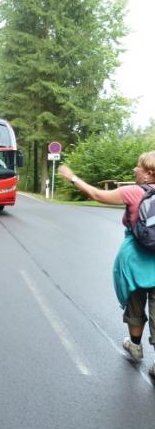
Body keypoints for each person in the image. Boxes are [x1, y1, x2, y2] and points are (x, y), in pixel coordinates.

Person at [59, 153, 155, 376]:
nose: (134, 170)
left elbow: (96, 194)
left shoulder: (133, 191)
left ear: (149, 173)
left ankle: (135, 346)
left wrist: (72, 177)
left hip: (135, 261)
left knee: (135, 304)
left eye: (138, 167)